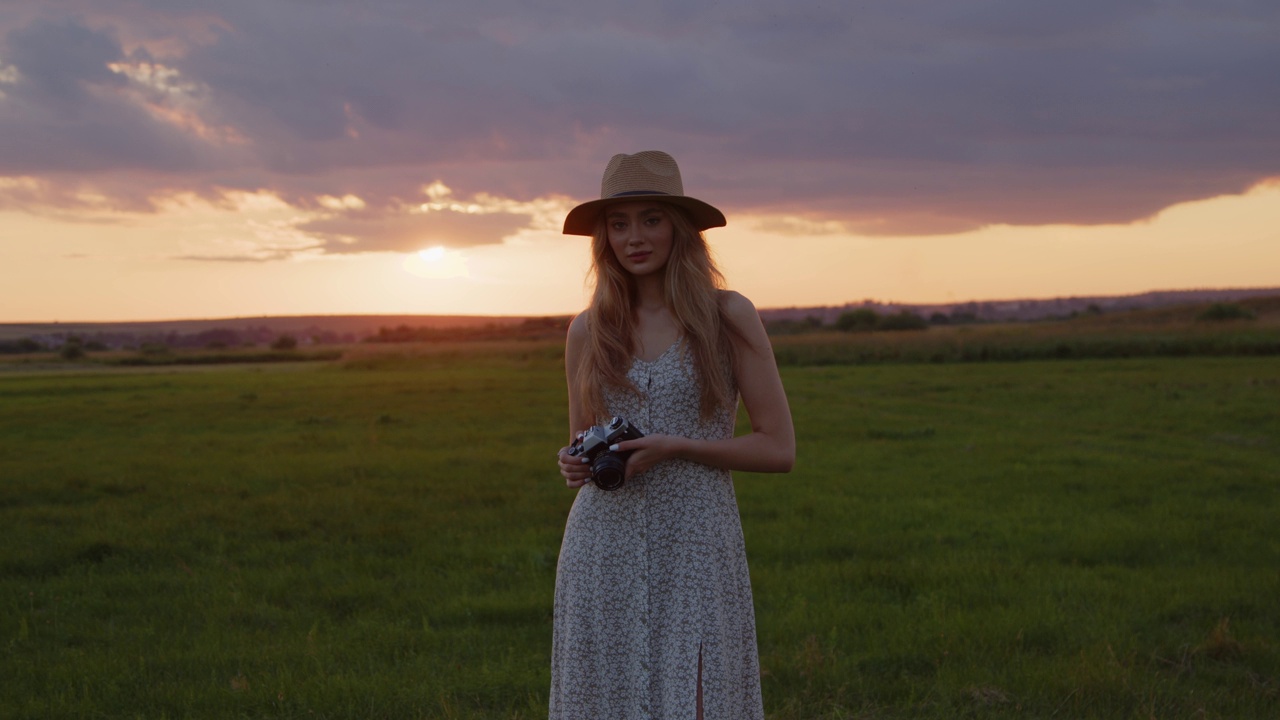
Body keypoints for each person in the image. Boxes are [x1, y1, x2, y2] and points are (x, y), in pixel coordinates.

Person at [551, 150, 796, 719]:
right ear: (603, 237)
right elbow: (581, 444)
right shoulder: (588, 330)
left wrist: (678, 447)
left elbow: (779, 449)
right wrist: (574, 462)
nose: (634, 237)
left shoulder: (728, 316)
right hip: (602, 546)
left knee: (700, 701)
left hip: (695, 543)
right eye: (619, 223)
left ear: (679, 228)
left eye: (651, 219)